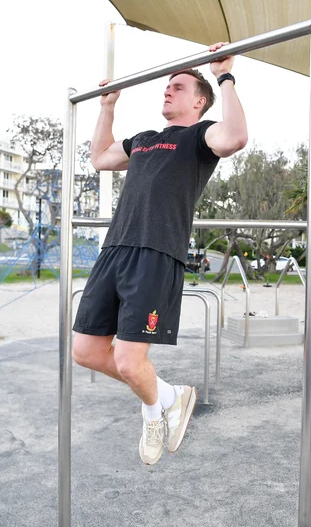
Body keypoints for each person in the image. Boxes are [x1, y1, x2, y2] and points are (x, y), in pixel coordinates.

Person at [71, 42, 248, 465]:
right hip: (115, 250)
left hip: (156, 253)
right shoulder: (145, 140)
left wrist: (224, 74)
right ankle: (170, 396)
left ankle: (154, 411)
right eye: (167, 85)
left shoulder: (199, 137)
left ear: (199, 101)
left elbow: (236, 136)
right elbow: (98, 158)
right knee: (85, 351)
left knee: (132, 363)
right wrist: (107, 107)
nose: (168, 91)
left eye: (179, 86)